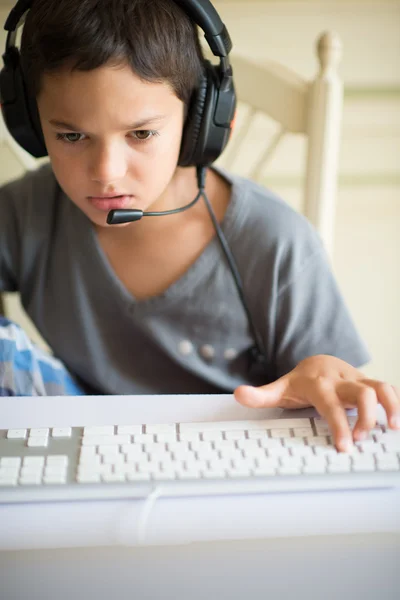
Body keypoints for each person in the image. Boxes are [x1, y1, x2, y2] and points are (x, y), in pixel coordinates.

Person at [0, 0, 398, 453]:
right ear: (29, 124)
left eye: (141, 134)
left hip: (230, 462)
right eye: (72, 136)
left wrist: (326, 370)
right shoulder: (24, 212)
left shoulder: (273, 243)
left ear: (199, 121)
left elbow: (337, 389)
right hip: (89, 458)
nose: (106, 172)